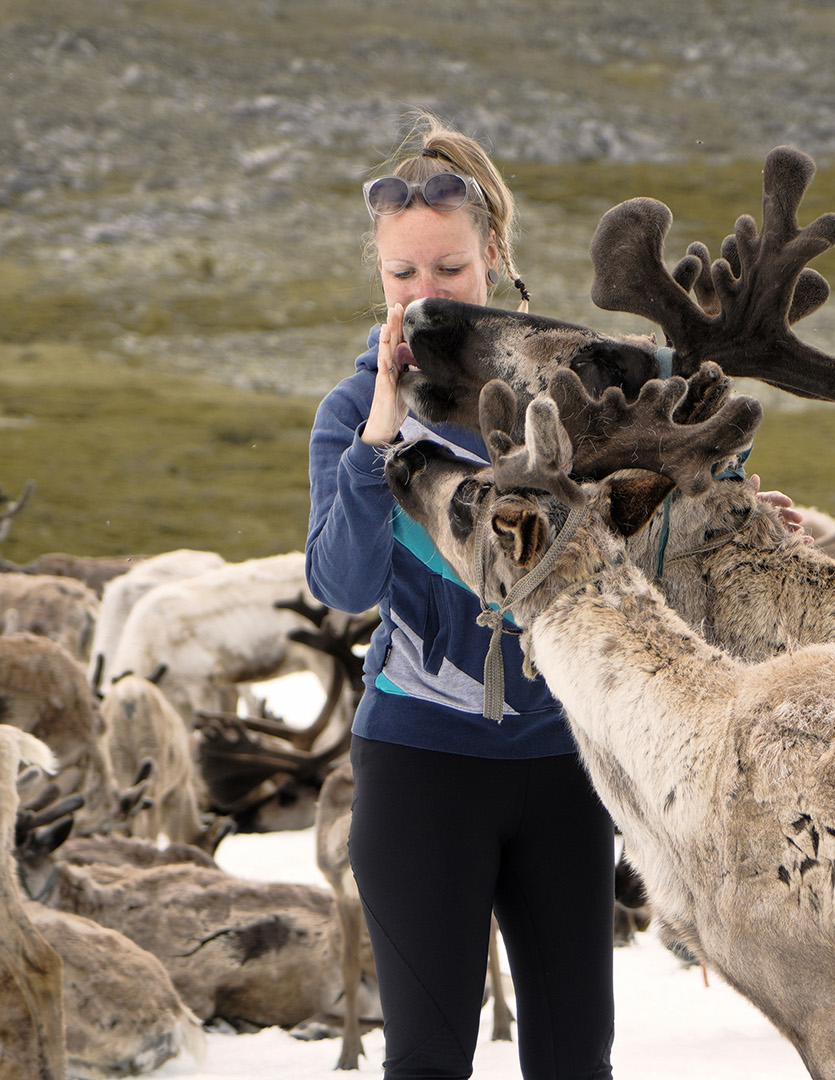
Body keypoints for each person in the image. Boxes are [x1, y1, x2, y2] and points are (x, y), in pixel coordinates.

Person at [304, 111, 613, 1080]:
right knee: (429, 1063)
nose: (426, 297)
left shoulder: (575, 397)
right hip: (418, 769)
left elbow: (646, 556)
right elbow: (343, 584)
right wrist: (381, 433)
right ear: (380, 282)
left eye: (447, 271)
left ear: (493, 255)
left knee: (575, 1065)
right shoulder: (353, 414)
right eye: (403, 278)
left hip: (566, 765)